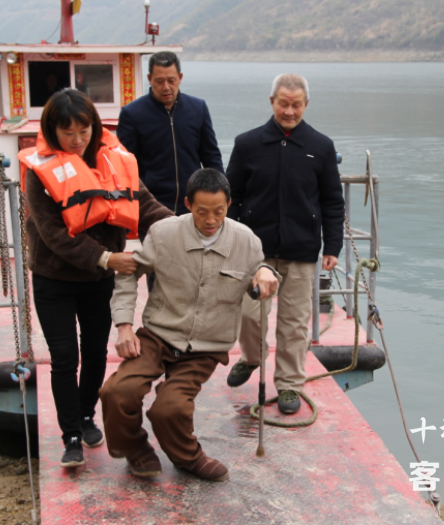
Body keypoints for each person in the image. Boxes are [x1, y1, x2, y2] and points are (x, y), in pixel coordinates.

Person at [18, 89, 173, 468]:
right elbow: (52, 233)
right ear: (52, 131)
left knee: (94, 353)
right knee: (64, 357)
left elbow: (145, 204)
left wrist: (183, 228)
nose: (77, 140)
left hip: (98, 280)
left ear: (94, 127)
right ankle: (70, 435)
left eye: (84, 131)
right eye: (67, 132)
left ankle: (87, 416)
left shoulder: (112, 159)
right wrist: (105, 257)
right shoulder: (40, 172)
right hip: (54, 279)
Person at [100, 168, 279, 481]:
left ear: (229, 204)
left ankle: (187, 457)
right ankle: (134, 448)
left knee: (169, 408)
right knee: (117, 391)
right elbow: (128, 271)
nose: (211, 220)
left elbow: (261, 273)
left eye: (219, 212)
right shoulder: (163, 233)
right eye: (201, 212)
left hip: (207, 345)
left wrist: (266, 273)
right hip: (159, 334)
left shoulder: (246, 240)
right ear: (187, 204)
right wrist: (124, 325)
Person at [224, 73, 345, 415]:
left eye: (296, 105)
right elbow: (231, 197)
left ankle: (290, 383)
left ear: (306, 104)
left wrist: (332, 247)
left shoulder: (321, 147)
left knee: (294, 322)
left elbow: (332, 202)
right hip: (255, 252)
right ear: (272, 102)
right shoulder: (247, 144)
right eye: (283, 104)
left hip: (301, 251)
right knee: (249, 315)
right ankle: (252, 358)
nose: (289, 111)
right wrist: (232, 240)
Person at [117, 51, 223, 215]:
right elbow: (126, 165)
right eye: (159, 81)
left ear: (180, 77)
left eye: (171, 81)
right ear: (149, 79)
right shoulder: (132, 114)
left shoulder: (198, 108)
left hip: (193, 204)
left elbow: (211, 156)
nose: (166, 87)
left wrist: (220, 192)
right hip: (152, 206)